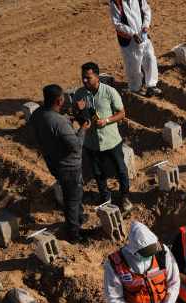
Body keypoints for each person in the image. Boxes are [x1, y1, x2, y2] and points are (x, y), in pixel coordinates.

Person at [29, 84, 89, 242]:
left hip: (53, 162)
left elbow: (49, 132)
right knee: (72, 199)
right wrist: (82, 128)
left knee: (73, 194)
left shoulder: (37, 114)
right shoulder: (59, 122)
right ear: (59, 100)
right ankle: (74, 234)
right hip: (69, 167)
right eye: (63, 99)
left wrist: (70, 114)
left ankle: (80, 217)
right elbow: (76, 146)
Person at [74, 62, 133, 213]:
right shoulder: (79, 94)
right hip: (92, 142)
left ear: (97, 77)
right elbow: (78, 118)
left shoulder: (109, 92)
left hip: (111, 140)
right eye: (83, 78)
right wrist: (79, 111)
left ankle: (125, 197)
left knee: (120, 170)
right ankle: (105, 198)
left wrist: (106, 121)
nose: (85, 81)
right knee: (98, 173)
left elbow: (122, 113)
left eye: (88, 77)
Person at [109, 0, 161, 97]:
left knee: (150, 58)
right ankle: (135, 87)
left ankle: (151, 85)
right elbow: (117, 23)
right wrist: (133, 34)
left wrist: (146, 26)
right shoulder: (115, 2)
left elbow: (146, 11)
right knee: (133, 64)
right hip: (128, 39)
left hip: (143, 35)